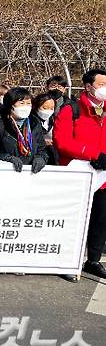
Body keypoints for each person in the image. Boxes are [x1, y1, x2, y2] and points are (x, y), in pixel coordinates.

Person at [54, 68, 106, 280]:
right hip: (79, 175)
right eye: (101, 84)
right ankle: (66, 260)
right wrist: (93, 154)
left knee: (100, 220)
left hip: (103, 177)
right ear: (88, 86)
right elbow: (62, 142)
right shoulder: (72, 109)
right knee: (76, 220)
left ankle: (92, 260)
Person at [0, 87, 48, 173]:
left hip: (30, 174)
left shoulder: (34, 124)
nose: (26, 107)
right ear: (11, 105)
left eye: (28, 103)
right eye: (22, 103)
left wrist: (41, 158)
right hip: (5, 174)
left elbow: (42, 149)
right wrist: (6, 158)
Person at [32, 92, 57, 165]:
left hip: (52, 156)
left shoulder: (54, 120)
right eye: (45, 108)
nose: (48, 111)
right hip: (35, 158)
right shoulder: (30, 121)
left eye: (51, 108)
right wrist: (43, 142)